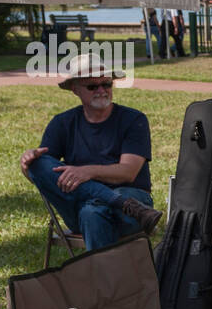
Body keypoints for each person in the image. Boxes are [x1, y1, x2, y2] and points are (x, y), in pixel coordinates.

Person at [20, 52, 162, 249]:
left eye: (107, 84)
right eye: (92, 86)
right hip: (88, 207)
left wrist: (86, 172)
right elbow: (45, 177)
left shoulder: (133, 119)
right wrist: (27, 163)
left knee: (92, 213)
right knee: (39, 161)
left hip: (131, 204)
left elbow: (128, 172)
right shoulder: (62, 123)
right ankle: (116, 201)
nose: (102, 90)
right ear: (75, 89)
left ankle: (99, 279)